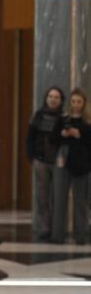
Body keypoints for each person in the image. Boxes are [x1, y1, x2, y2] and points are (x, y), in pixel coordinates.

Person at [51, 88, 91, 245]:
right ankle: (57, 235)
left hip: (81, 163)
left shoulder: (87, 122)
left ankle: (80, 235)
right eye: (73, 101)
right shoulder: (63, 119)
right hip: (63, 160)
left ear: (84, 103)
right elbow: (53, 139)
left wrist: (79, 135)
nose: (76, 105)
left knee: (80, 201)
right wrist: (63, 134)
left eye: (79, 102)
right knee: (60, 199)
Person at [27, 87, 66, 241]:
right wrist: (31, 157)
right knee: (42, 197)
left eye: (56, 97)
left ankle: (57, 229)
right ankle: (44, 228)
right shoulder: (37, 116)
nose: (53, 99)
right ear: (46, 98)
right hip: (40, 160)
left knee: (57, 197)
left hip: (58, 162)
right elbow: (30, 138)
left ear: (61, 100)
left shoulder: (64, 118)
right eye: (50, 96)